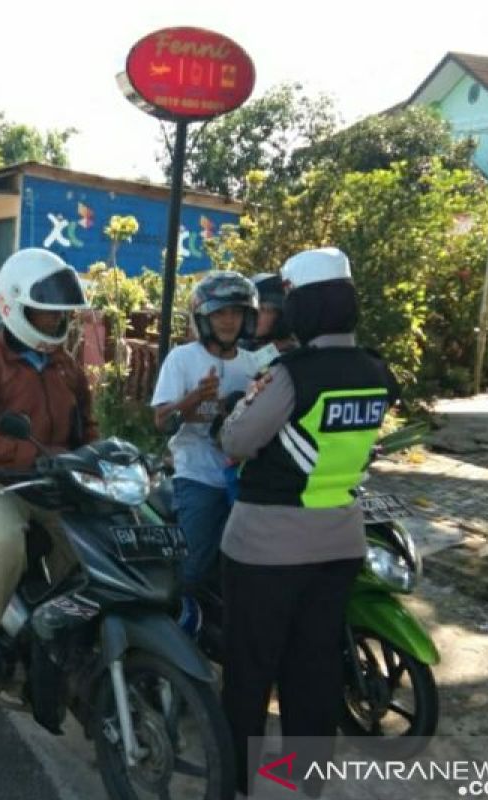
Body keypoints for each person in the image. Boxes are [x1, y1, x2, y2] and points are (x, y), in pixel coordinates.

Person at [218, 248, 400, 798]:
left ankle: (237, 784)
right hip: (339, 545)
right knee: (314, 671)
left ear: (309, 304)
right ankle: (305, 783)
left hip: (265, 550)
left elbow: (235, 442)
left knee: (250, 673)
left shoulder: (290, 376)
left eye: (291, 298)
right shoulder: (377, 373)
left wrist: (234, 409)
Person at [0, 247, 97, 714]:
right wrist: (30, 454)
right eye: (46, 314)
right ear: (15, 306)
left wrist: (96, 456)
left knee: (92, 548)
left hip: (55, 484)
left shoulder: (66, 366)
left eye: (61, 316)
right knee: (8, 542)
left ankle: (53, 634)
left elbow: (87, 428)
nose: (56, 324)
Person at [150, 271, 259, 635]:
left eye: (236, 312)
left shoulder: (253, 364)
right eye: (220, 313)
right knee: (193, 567)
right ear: (204, 318)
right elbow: (161, 419)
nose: (229, 320)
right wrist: (196, 396)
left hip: (243, 479)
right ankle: (175, 632)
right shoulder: (182, 359)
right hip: (197, 474)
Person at [244, 272, 297, 372]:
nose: (254, 315)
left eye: (264, 310)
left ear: (281, 316)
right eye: (250, 309)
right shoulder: (242, 347)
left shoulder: (291, 358)